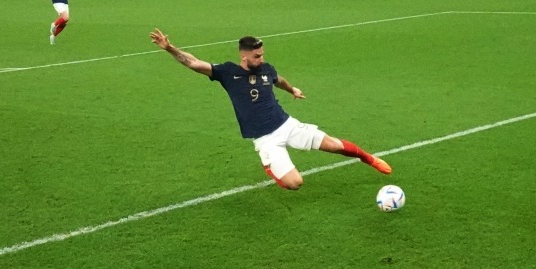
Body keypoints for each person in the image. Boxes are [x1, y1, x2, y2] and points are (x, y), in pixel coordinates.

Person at [149, 30, 392, 190]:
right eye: (257, 56)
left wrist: (293, 90)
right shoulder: (227, 72)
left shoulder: (266, 69)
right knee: (295, 183)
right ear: (244, 57)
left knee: (335, 145)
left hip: (286, 124)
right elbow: (193, 63)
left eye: (263, 54)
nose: (261, 59)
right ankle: (269, 165)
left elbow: (279, 80)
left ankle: (368, 159)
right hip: (266, 138)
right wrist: (169, 48)